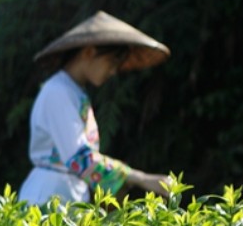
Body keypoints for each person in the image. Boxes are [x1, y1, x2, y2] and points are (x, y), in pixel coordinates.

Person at [17, 10, 173, 206]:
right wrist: (140, 178)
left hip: (67, 193)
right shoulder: (57, 92)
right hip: (48, 195)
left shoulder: (73, 91)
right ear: (89, 52)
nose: (114, 71)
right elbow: (79, 158)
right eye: (112, 61)